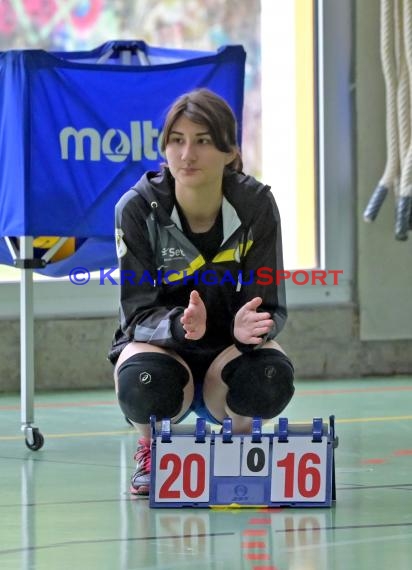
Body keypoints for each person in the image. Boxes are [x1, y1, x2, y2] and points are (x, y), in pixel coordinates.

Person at [108, 88, 295, 496]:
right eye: (177, 140)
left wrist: (253, 329)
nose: (187, 154)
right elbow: (136, 312)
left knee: (270, 375)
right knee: (143, 380)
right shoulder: (137, 209)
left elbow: (271, 301)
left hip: (228, 354)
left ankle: (241, 445)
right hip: (162, 349)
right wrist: (179, 325)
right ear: (165, 148)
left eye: (203, 141)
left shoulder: (257, 205)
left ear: (229, 152)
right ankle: (151, 447)